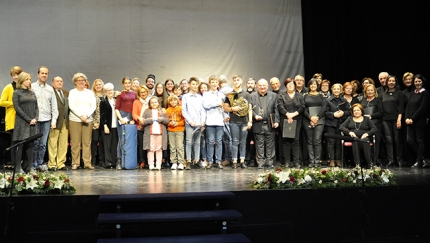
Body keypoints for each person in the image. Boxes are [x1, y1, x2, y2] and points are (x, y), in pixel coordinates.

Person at [31, 66, 58, 171]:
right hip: (35, 120)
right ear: (38, 74)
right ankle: (33, 164)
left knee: (42, 144)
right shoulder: (32, 87)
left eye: (46, 73)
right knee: (35, 143)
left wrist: (54, 120)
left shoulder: (50, 89)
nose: (44, 75)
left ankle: (39, 164)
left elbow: (54, 106)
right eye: (42, 73)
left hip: (46, 120)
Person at [11, 72, 38, 173]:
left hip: (32, 122)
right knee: (20, 144)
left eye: (30, 79)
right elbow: (17, 108)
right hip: (22, 122)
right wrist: (28, 119)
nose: (29, 81)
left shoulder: (32, 93)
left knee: (30, 145)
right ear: (22, 81)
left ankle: (29, 167)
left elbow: (36, 107)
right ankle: (18, 168)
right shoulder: (17, 92)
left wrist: (35, 118)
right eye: (27, 79)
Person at [68, 73, 96, 170]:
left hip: (88, 119)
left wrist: (86, 115)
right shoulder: (72, 92)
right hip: (75, 119)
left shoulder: (90, 92)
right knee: (75, 142)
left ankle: (87, 163)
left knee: (87, 142)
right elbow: (72, 106)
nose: (81, 82)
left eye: (83, 80)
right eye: (79, 80)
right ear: (75, 82)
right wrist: (81, 115)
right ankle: (75, 163)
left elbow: (93, 106)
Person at [223, 75, 252, 169]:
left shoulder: (246, 94)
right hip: (234, 122)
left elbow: (250, 108)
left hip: (244, 121)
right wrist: (232, 108)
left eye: (238, 80)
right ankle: (234, 161)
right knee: (235, 141)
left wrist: (250, 121)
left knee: (243, 142)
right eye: (234, 80)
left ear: (241, 81)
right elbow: (225, 107)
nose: (236, 81)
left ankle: (242, 161)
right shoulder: (229, 94)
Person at [250, 79, 279, 169]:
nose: (262, 87)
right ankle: (261, 162)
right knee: (259, 144)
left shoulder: (274, 95)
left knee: (270, 144)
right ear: (257, 86)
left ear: (267, 86)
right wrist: (254, 116)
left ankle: (270, 162)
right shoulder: (252, 96)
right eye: (260, 85)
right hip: (258, 124)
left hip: (270, 124)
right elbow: (249, 109)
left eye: (264, 85)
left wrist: (277, 121)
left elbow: (277, 109)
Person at [277, 79, 304, 168]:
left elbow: (302, 106)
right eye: (288, 84)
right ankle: (287, 162)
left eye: (292, 84)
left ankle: (296, 162)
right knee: (286, 142)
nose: (290, 85)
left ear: (295, 85)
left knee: (296, 141)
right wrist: (288, 115)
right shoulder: (282, 95)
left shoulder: (299, 95)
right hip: (285, 120)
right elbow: (280, 106)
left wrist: (293, 115)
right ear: (286, 86)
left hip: (297, 120)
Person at [405, 74, 430, 168]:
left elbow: (422, 108)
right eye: (416, 81)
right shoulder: (413, 93)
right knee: (410, 140)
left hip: (419, 121)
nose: (417, 83)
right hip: (410, 121)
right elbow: (408, 107)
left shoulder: (425, 93)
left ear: (422, 82)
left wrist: (412, 118)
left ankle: (419, 160)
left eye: (419, 81)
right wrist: (406, 118)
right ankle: (422, 158)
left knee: (419, 140)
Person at [0, 66, 22, 167]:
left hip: (23, 119)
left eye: (17, 74)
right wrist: (14, 103)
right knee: (14, 143)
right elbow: (1, 102)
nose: (16, 77)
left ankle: (20, 163)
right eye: (14, 75)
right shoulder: (8, 87)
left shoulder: (23, 87)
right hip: (13, 118)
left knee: (22, 143)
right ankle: (15, 165)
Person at [182, 77, 205, 170]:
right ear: (189, 85)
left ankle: (196, 160)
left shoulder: (200, 97)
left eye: (196, 84)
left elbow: (203, 110)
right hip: (189, 123)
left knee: (197, 142)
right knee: (188, 142)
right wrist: (190, 121)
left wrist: (202, 121)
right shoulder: (185, 97)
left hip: (199, 123)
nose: (195, 86)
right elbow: (184, 110)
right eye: (193, 84)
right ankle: (188, 161)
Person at [203, 75, 226, 169]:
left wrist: (226, 116)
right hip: (210, 121)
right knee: (210, 142)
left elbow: (224, 107)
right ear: (209, 83)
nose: (214, 84)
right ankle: (210, 161)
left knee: (219, 142)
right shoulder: (206, 94)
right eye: (212, 82)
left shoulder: (222, 95)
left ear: (218, 83)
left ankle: (219, 161)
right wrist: (217, 103)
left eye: (216, 82)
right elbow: (206, 105)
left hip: (220, 121)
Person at [303, 78, 327, 167]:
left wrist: (317, 117)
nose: (313, 86)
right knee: (309, 141)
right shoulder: (305, 96)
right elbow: (303, 108)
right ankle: (311, 161)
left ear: (318, 86)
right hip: (307, 120)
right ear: (309, 85)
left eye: (315, 84)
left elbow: (324, 108)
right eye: (311, 84)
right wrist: (310, 117)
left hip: (319, 120)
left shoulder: (321, 96)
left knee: (317, 140)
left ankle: (317, 161)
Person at [47, 76, 69, 171]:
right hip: (55, 121)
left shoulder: (65, 93)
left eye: (61, 81)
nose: (59, 83)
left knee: (63, 143)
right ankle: (52, 164)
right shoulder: (50, 92)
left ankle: (61, 163)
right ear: (53, 83)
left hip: (64, 121)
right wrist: (53, 120)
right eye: (57, 81)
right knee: (53, 142)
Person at [114, 76, 136, 169]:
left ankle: (129, 160)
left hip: (131, 116)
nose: (127, 84)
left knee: (130, 140)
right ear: (123, 84)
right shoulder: (120, 94)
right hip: (122, 116)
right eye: (125, 83)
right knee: (121, 140)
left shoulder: (135, 94)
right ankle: (119, 160)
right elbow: (116, 108)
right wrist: (121, 119)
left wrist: (133, 118)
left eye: (129, 83)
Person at [142, 97, 169, 170]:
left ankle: (158, 164)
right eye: (152, 102)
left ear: (158, 103)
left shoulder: (162, 111)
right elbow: (143, 121)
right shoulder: (146, 111)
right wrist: (151, 120)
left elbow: (167, 121)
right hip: (150, 134)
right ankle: (151, 164)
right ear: (149, 104)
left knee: (159, 149)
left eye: (155, 102)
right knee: (150, 149)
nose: (154, 104)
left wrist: (161, 119)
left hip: (160, 133)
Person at [360, 84, 383, 166]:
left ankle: (375, 160)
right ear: (365, 91)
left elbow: (381, 112)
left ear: (374, 91)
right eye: (368, 90)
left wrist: (371, 116)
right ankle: (367, 160)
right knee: (364, 141)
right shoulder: (362, 101)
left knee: (376, 143)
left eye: (371, 90)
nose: (370, 92)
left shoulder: (378, 100)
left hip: (376, 124)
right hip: (365, 125)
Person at [325, 83, 346, 167]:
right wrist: (333, 114)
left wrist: (343, 113)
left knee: (338, 142)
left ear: (341, 90)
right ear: (332, 90)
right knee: (331, 142)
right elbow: (325, 112)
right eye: (335, 89)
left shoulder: (344, 100)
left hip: (341, 124)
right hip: (330, 123)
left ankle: (338, 159)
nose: (336, 90)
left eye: (338, 89)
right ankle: (332, 159)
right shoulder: (328, 100)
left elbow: (349, 111)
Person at [100, 83, 118, 169]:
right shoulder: (103, 101)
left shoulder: (116, 101)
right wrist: (105, 125)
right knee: (107, 145)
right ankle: (108, 162)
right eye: (107, 90)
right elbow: (102, 115)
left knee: (114, 144)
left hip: (116, 126)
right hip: (107, 126)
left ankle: (113, 162)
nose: (109, 92)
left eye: (111, 90)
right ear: (105, 92)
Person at [132, 85, 150, 169]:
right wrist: (139, 119)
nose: (143, 94)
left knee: (151, 144)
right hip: (140, 125)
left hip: (151, 126)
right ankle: (142, 161)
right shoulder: (136, 102)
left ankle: (150, 161)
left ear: (147, 92)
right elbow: (134, 114)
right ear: (139, 94)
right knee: (142, 144)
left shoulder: (151, 100)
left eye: (144, 92)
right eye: (141, 92)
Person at [166, 95, 185, 170]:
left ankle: (181, 162)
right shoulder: (168, 110)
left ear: (177, 101)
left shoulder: (181, 109)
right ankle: (173, 162)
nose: (173, 102)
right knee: (172, 147)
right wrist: (169, 123)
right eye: (171, 100)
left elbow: (184, 120)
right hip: (171, 130)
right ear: (169, 102)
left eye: (174, 100)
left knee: (180, 146)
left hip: (179, 130)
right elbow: (166, 120)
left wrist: (178, 123)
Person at [218, 75, 233, 166]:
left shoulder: (221, 92)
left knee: (227, 139)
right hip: (231, 117)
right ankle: (231, 158)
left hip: (225, 117)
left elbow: (223, 106)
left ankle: (228, 159)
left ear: (219, 83)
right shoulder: (231, 90)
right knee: (230, 139)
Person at [91, 79, 105, 168]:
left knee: (102, 141)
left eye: (100, 84)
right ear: (94, 86)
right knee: (94, 141)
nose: (98, 86)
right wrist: (94, 122)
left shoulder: (105, 96)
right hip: (95, 123)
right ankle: (92, 161)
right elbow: (90, 110)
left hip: (103, 123)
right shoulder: (91, 96)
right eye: (97, 85)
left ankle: (101, 161)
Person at [198, 82, 209, 166]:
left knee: (209, 141)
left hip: (210, 122)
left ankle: (210, 159)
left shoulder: (210, 97)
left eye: (205, 88)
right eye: (202, 88)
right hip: (201, 123)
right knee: (202, 141)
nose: (203, 89)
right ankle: (204, 158)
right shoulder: (198, 98)